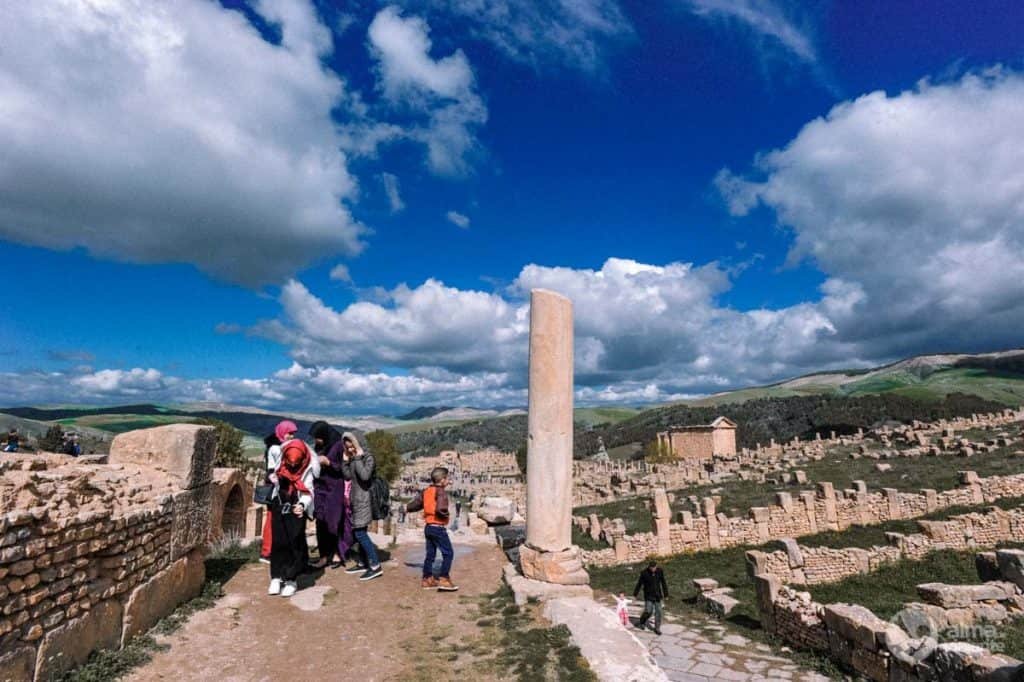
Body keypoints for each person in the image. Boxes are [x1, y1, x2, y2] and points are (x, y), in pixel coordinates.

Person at [267, 437, 315, 598]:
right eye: (290, 462)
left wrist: (302, 505)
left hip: (296, 508)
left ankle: (291, 579)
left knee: (294, 542)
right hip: (279, 505)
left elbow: (308, 490)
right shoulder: (280, 461)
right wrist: (273, 477)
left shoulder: (307, 468)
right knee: (278, 541)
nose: (293, 466)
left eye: (296, 463)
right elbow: (273, 451)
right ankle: (276, 577)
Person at [407, 467, 459, 592]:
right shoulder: (441, 492)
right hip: (438, 527)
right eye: (447, 478)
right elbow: (441, 508)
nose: (449, 481)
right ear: (442, 480)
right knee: (448, 553)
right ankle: (444, 579)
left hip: (428, 527)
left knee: (430, 554)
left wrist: (407, 508)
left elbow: (415, 505)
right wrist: (444, 514)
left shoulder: (426, 491)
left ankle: (427, 579)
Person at [340, 433, 383, 581]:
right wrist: (345, 461)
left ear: (358, 443)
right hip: (355, 500)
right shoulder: (353, 458)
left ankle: (375, 565)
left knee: (359, 533)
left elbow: (365, 476)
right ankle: (363, 562)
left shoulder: (368, 457)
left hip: (364, 500)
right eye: (347, 446)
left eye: (352, 445)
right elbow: (347, 476)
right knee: (358, 533)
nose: (350, 448)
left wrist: (357, 457)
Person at [309, 420, 348, 569]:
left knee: (334, 522)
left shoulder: (338, 445)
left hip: (334, 488)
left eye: (317, 436)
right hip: (320, 488)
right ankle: (323, 556)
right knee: (320, 522)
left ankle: (338, 553)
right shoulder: (319, 446)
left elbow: (343, 469)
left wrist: (329, 463)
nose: (316, 440)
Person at [633, 560, 669, 635]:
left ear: (656, 566)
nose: (653, 569)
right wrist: (635, 595)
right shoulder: (644, 573)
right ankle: (642, 621)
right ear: (649, 567)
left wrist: (666, 594)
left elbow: (663, 582)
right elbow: (639, 584)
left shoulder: (660, 571)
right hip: (648, 595)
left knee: (658, 612)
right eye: (651, 568)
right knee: (648, 611)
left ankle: (657, 628)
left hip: (657, 596)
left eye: (654, 567)